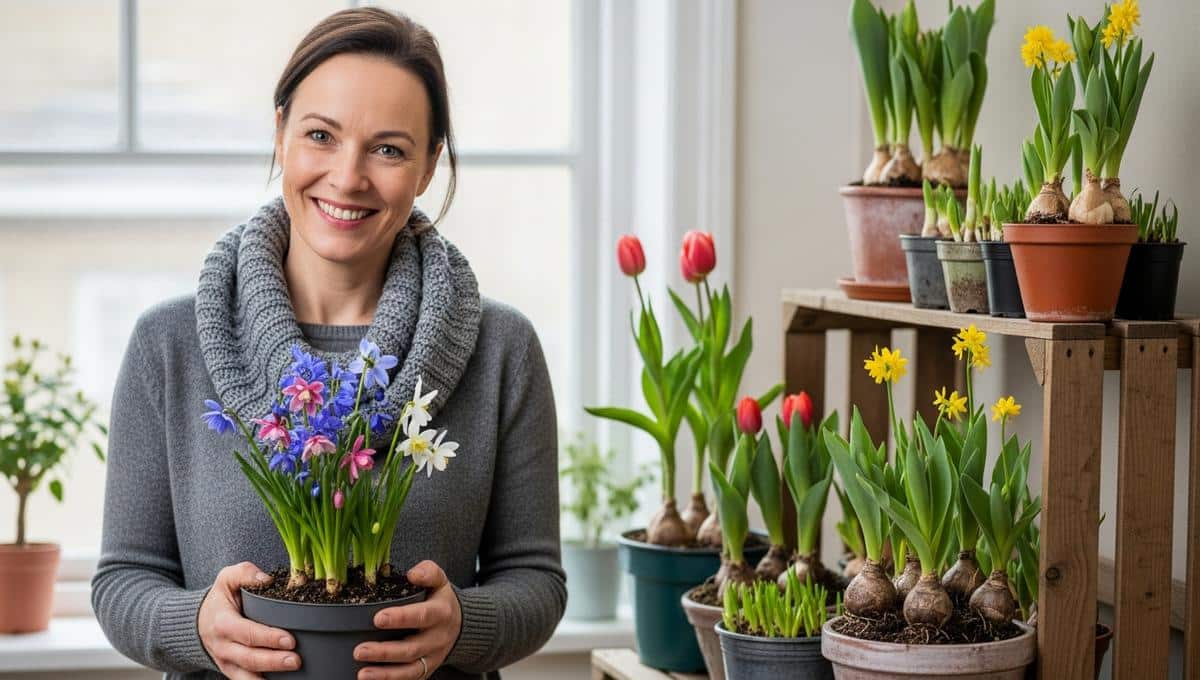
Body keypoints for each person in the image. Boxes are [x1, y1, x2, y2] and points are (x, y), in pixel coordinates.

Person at [91, 8, 565, 680]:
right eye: (321, 135)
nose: (347, 177)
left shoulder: (502, 349)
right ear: (281, 132)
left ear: (429, 166)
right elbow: (122, 583)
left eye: (389, 148)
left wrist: (464, 625)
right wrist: (195, 625)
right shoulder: (169, 345)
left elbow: (537, 584)